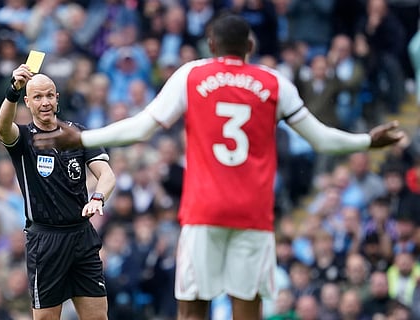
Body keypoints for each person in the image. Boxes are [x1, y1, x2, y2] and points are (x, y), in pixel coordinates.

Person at [33, 13, 405, 320]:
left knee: (193, 309)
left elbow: (142, 127)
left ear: (211, 45)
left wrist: (82, 138)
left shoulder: (192, 75)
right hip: (253, 215)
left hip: (204, 212)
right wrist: (368, 141)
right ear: (250, 47)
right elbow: (322, 139)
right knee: (248, 309)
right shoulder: (275, 83)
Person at [0, 64, 116, 320]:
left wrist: (97, 197)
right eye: (37, 97)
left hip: (82, 237)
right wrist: (12, 91)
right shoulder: (25, 137)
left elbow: (107, 175)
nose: (45, 102)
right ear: (27, 102)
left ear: (57, 97)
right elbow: (2, 128)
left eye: (50, 95)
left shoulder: (76, 133)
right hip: (46, 242)